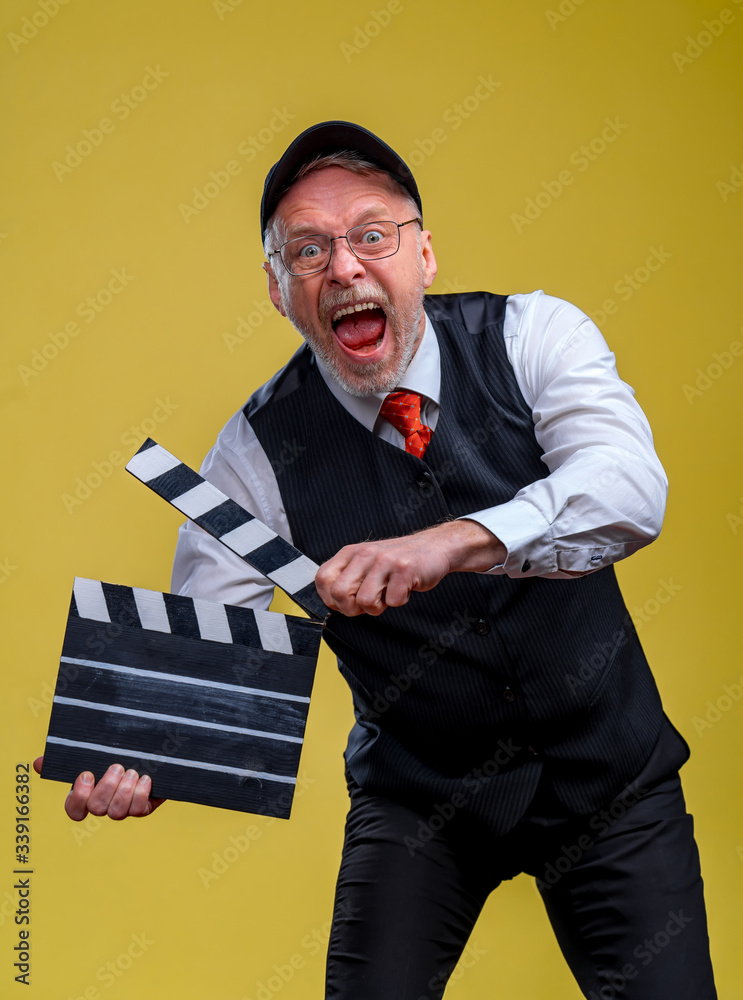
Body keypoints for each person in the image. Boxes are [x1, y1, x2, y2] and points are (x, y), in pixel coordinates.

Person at [37, 121, 717, 998]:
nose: (344, 267)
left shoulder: (534, 335)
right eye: (307, 251)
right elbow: (211, 670)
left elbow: (629, 490)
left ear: (423, 255)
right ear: (279, 292)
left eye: (370, 234)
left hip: (612, 780)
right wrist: (156, 758)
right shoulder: (251, 456)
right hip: (419, 803)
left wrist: (448, 543)